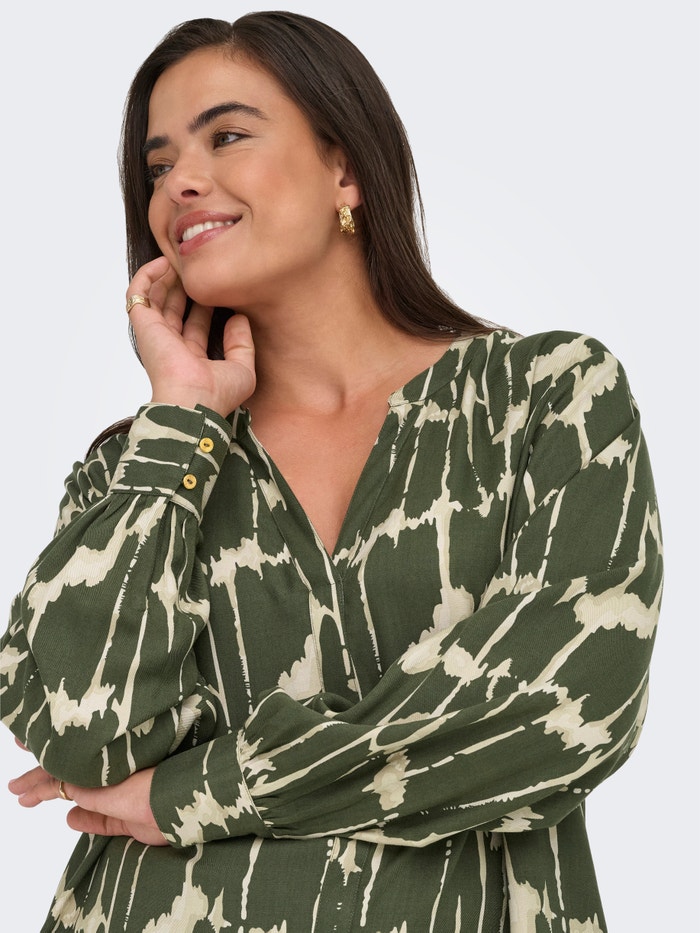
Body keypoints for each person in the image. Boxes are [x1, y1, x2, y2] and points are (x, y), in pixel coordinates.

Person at [0, 11, 662, 932]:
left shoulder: (545, 399)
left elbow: (563, 707)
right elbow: (83, 732)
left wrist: (198, 790)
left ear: (344, 169)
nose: (179, 182)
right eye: (157, 166)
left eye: (226, 136)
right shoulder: (137, 467)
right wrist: (182, 420)